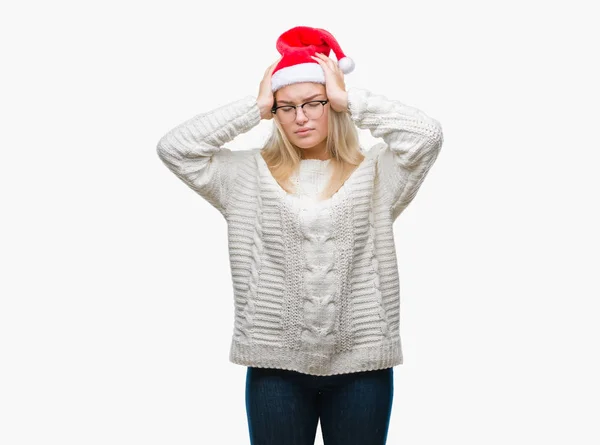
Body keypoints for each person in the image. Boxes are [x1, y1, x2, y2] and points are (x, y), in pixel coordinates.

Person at [156, 25, 444, 445]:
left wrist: (351, 99)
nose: (301, 116)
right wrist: (252, 108)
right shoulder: (243, 176)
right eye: (286, 106)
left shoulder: (379, 172)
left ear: (334, 103)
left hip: (362, 368)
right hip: (275, 371)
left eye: (314, 102)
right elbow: (174, 148)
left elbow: (427, 136)